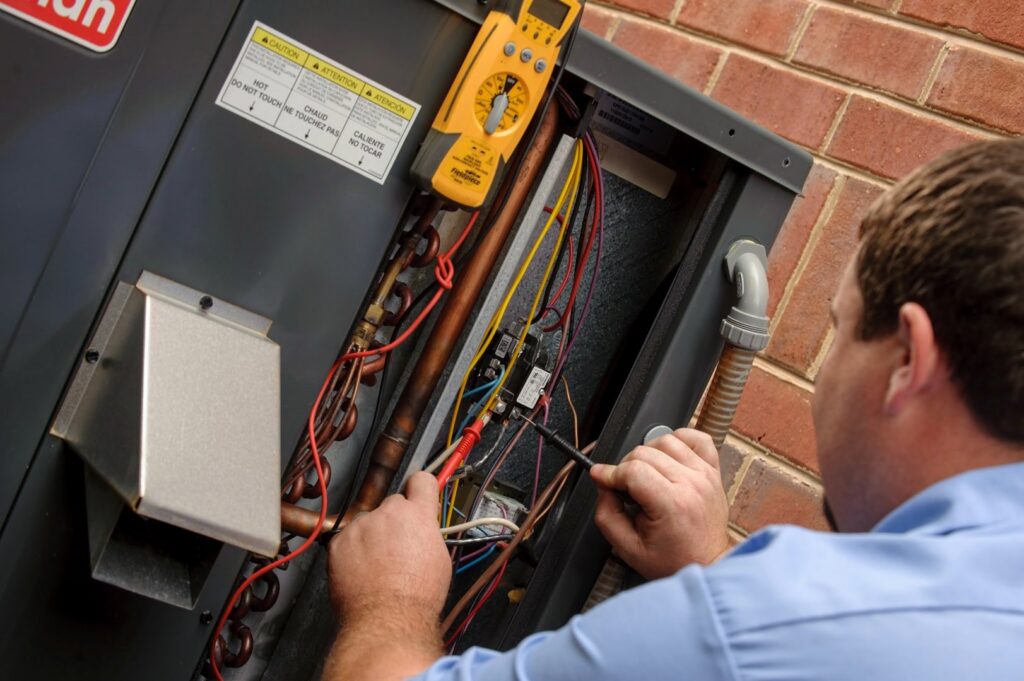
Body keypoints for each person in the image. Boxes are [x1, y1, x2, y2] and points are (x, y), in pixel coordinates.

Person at [322, 138, 1024, 680]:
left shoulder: (773, 620)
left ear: (908, 360)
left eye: (838, 328)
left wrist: (395, 599)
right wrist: (714, 562)